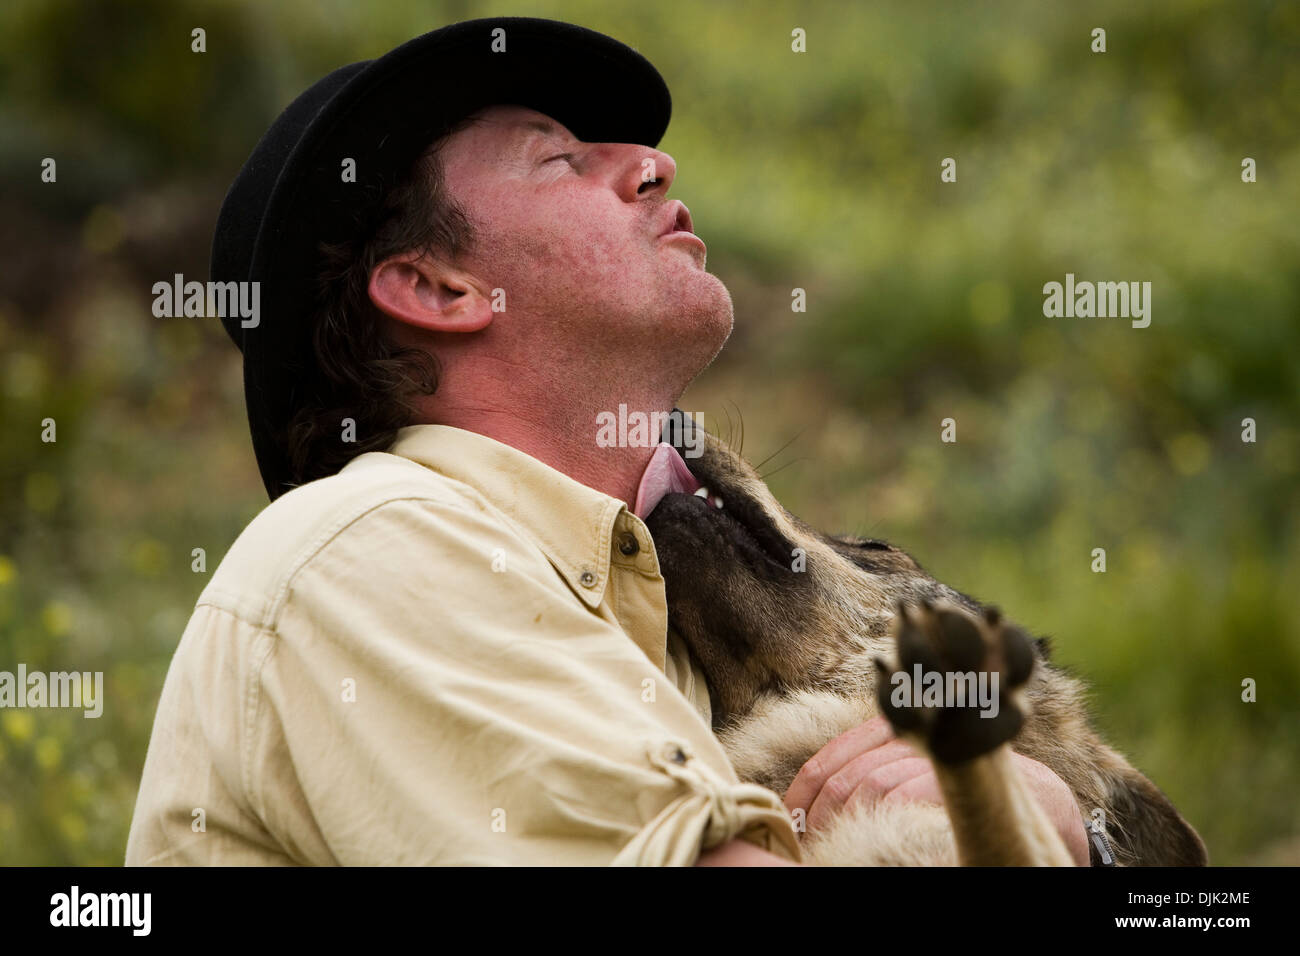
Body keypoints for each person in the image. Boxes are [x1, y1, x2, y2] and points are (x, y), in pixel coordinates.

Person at [125, 16, 1088, 866]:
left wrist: (1061, 821)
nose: (652, 162)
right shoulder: (367, 548)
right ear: (437, 290)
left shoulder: (679, 642)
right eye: (557, 158)